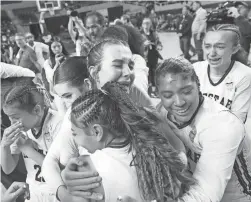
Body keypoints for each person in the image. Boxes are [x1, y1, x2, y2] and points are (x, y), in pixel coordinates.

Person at [42, 40, 175, 201]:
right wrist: (64, 190)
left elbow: (175, 149)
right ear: (94, 73)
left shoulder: (135, 96)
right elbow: (51, 162)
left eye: (130, 65)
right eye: (118, 65)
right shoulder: (80, 114)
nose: (127, 72)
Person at [69, 82, 195, 201]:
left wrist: (61, 189)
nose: (73, 138)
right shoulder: (151, 150)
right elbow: (180, 157)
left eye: (74, 133)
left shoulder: (87, 169)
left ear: (97, 132)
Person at [156, 57, 251, 202]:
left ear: (198, 85)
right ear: (159, 95)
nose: (179, 102)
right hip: (194, 190)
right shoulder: (162, 111)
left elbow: (204, 196)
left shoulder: (221, 125)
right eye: (168, 95)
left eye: (186, 91)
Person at [1, 84, 62, 202]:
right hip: (34, 194)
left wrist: (28, 150)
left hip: (57, 194)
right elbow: (8, 168)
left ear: (37, 110)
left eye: (15, 117)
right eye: (9, 117)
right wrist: (4, 146)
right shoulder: (21, 129)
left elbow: (60, 170)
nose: (12, 123)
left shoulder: (58, 124)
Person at [193, 24, 251, 123]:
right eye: (207, 46)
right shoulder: (195, 69)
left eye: (220, 47)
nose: (212, 53)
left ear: (235, 49)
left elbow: (237, 121)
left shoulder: (244, 74)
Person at [141, 17, 163, 97]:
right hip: (145, 56)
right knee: (147, 74)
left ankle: (155, 91)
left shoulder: (154, 33)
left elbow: (159, 43)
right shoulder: (140, 34)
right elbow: (136, 46)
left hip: (154, 55)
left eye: (148, 23)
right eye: (144, 23)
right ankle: (148, 92)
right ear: (142, 25)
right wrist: (143, 45)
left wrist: (159, 46)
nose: (146, 25)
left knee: (154, 73)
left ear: (150, 25)